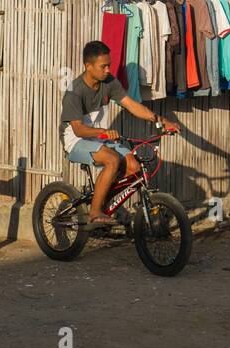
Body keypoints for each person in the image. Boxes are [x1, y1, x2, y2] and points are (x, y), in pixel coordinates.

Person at [60, 40, 179, 228]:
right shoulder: (75, 91)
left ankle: (102, 200)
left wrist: (161, 120)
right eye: (103, 66)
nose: (108, 70)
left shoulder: (109, 82)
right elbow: (78, 129)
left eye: (109, 65)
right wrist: (104, 132)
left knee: (134, 166)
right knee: (113, 160)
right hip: (75, 140)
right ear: (88, 66)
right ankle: (94, 212)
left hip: (99, 137)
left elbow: (131, 105)